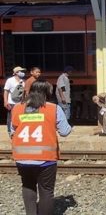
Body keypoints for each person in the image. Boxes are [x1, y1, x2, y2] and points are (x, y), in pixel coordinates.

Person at [11, 79, 72, 215]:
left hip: (22, 157)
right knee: (46, 191)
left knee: (28, 186)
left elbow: (12, 130)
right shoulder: (53, 108)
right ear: (47, 93)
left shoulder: (17, 108)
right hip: (46, 159)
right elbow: (65, 131)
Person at [4, 66, 26, 136]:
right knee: (11, 117)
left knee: (20, 116)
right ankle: (10, 131)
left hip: (20, 103)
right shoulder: (10, 80)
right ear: (16, 72)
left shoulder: (23, 81)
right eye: (21, 71)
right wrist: (5, 101)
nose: (23, 73)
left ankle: (18, 130)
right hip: (11, 102)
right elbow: (6, 91)